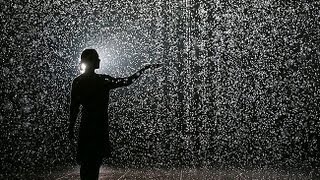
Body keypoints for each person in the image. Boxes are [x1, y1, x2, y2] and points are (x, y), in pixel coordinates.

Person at [68, 49, 159, 180]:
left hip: (86, 125)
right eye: (97, 58)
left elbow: (74, 108)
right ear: (91, 61)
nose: (99, 60)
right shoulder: (103, 80)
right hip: (99, 126)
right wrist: (144, 69)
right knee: (95, 162)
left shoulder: (78, 81)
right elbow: (127, 81)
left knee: (86, 162)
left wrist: (71, 127)